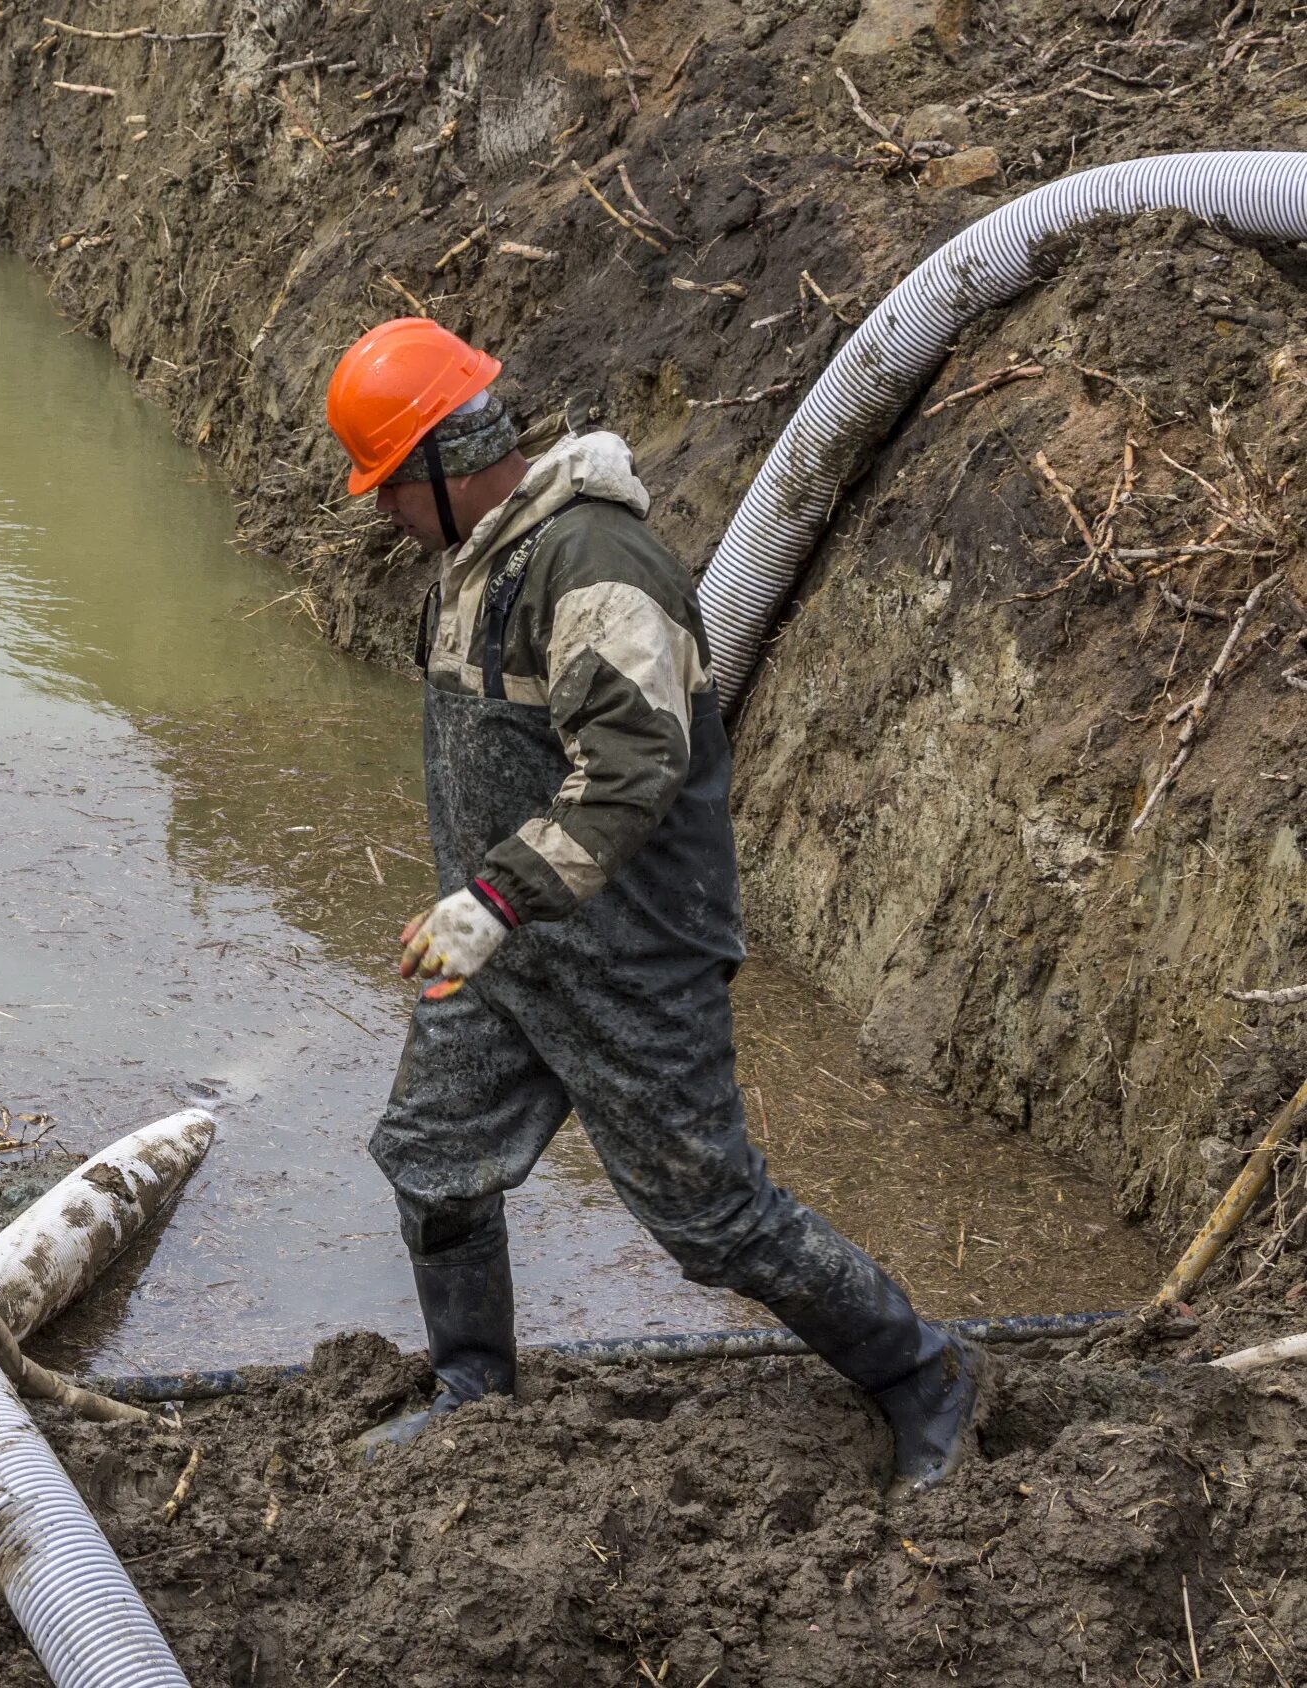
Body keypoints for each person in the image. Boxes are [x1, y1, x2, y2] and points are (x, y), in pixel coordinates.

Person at [323, 317, 981, 1491]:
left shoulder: (593, 566)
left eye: (386, 485)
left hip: (627, 953)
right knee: (433, 1156)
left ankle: (921, 1373)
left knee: (711, 1215)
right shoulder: (475, 565)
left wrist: (494, 895)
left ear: (441, 457)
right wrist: (484, 910)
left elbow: (630, 769)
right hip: (511, 947)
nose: (380, 512)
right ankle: (475, 1386)